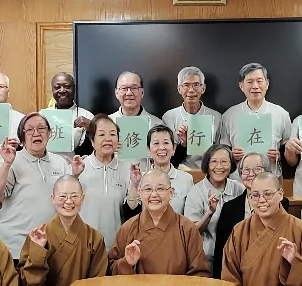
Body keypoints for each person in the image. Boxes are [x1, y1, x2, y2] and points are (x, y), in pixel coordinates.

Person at [20, 176, 108, 286]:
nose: (68, 202)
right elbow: (28, 283)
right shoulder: (38, 235)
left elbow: (98, 282)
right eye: (62, 197)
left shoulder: (94, 237)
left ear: (82, 198)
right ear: (53, 198)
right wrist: (38, 251)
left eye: (74, 196)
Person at [0, 113, 70, 259]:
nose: (36, 133)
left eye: (41, 128)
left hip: (48, 244)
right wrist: (7, 164)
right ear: (22, 137)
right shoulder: (11, 160)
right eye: (30, 130)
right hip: (14, 244)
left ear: (49, 133)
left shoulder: (60, 162)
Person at [108, 169, 210, 276]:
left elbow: (200, 272)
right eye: (148, 189)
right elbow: (111, 269)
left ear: (171, 193)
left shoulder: (187, 228)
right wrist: (127, 263)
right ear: (140, 193)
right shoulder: (128, 228)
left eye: (160, 189)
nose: (154, 195)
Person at [213, 152, 290, 278]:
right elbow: (221, 250)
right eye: (246, 170)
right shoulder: (229, 208)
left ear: (267, 172)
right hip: (238, 274)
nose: (251, 174)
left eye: (257, 169)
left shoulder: (281, 202)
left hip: (273, 275)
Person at [75, 115, 140, 250]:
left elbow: (132, 211)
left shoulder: (127, 169)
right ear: (92, 140)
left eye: (112, 134)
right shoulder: (80, 167)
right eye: (101, 134)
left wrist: (134, 185)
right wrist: (74, 177)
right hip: (85, 246)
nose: (108, 139)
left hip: (117, 246)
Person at [219, 63, 291, 176]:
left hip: (270, 180)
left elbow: (288, 149)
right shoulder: (229, 115)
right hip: (238, 180)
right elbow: (223, 149)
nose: (255, 86)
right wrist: (230, 155)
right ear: (241, 86)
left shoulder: (281, 114)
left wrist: (279, 155)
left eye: (259, 81)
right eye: (250, 82)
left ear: (267, 84)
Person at [184, 144, 245, 266]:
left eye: (224, 162)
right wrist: (209, 213)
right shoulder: (196, 191)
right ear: (207, 164)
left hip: (236, 257)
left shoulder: (239, 188)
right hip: (206, 258)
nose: (219, 167)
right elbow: (192, 231)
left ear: (231, 164)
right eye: (214, 162)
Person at [162, 66, 222, 169]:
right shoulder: (169, 117)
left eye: (196, 85)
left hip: (210, 172)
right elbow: (167, 158)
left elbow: (222, 154)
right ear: (179, 89)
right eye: (186, 85)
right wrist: (184, 144)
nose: (191, 90)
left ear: (203, 88)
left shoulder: (216, 117)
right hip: (180, 173)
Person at [40, 72, 94, 153]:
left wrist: (91, 128)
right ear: (52, 89)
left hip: (76, 163)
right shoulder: (42, 116)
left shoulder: (87, 116)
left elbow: (91, 149)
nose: (62, 90)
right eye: (57, 87)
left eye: (67, 86)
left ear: (74, 88)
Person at [145, 125, 194, 213]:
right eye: (156, 143)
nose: (161, 148)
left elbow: (189, 216)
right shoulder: (140, 179)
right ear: (148, 150)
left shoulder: (186, 179)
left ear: (174, 149)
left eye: (166, 143)